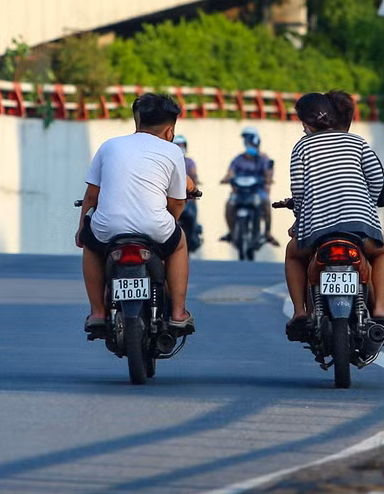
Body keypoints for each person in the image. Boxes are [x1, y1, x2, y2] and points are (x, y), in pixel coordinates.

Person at [283, 90, 384, 340]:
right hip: (358, 227)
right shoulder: (356, 142)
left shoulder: (302, 147)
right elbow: (376, 178)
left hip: (318, 229)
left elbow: (299, 189)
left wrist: (299, 218)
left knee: (293, 253)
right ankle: (380, 306)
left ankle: (299, 313)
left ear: (305, 123)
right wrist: (368, 202)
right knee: (382, 251)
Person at [75, 93, 194, 335]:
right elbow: (177, 202)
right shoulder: (173, 152)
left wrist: (81, 230)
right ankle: (179, 312)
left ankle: (97, 312)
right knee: (179, 243)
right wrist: (170, 221)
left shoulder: (109, 146)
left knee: (90, 243)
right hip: (155, 228)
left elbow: (91, 196)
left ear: (137, 122)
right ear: (170, 131)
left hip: (109, 229)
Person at [219, 126, 278, 246]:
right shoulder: (238, 159)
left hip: (257, 192)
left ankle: (267, 233)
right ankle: (232, 232)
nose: (249, 144)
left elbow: (268, 173)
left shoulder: (263, 159)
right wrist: (227, 179)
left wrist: (268, 180)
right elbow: (230, 172)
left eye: (251, 141)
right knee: (229, 205)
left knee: (266, 203)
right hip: (239, 193)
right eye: (247, 141)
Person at [173, 134, 203, 252]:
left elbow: (193, 176)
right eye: (177, 145)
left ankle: (192, 237)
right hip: (170, 198)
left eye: (182, 145)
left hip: (186, 199)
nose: (180, 148)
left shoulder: (190, 162)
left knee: (191, 215)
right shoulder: (169, 162)